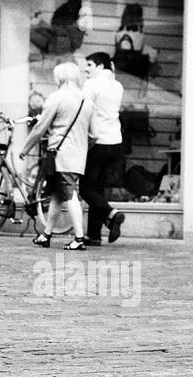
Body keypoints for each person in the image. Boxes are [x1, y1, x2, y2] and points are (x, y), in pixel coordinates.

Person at [19, 62, 93, 251]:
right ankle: (46, 234)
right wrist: (81, 147)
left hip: (60, 154)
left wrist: (25, 148)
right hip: (78, 154)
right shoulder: (87, 100)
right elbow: (94, 134)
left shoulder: (57, 98)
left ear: (59, 77)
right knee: (57, 194)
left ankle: (79, 237)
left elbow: (40, 128)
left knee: (69, 193)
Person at [81, 52, 126, 245]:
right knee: (97, 188)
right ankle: (94, 235)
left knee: (85, 189)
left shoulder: (92, 85)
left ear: (100, 67)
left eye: (89, 65)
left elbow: (84, 111)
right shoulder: (117, 86)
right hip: (115, 141)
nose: (86, 69)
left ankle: (111, 213)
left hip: (96, 142)